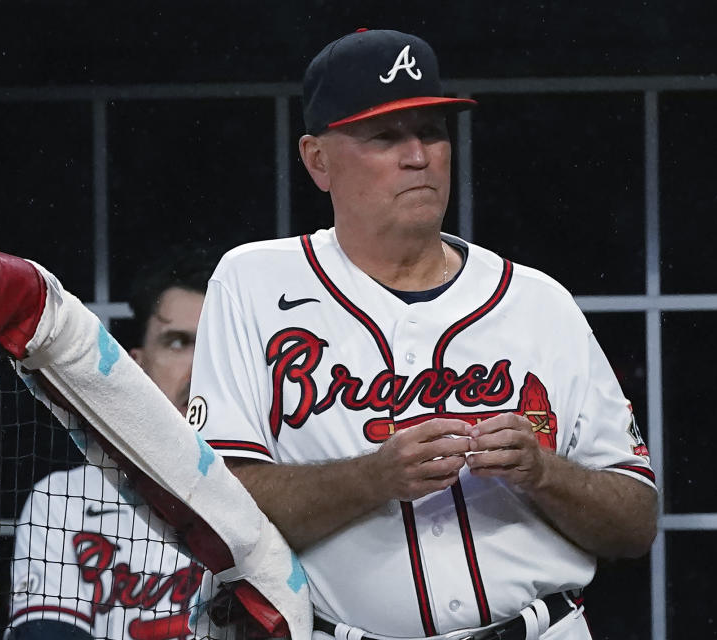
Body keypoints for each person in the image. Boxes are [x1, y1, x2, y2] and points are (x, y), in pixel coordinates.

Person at [188, 29, 658, 640]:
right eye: (385, 136)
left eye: (432, 131)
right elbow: (217, 514)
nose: (419, 156)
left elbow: (635, 521)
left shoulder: (539, 301)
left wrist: (544, 472)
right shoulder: (253, 283)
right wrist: (372, 478)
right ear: (317, 160)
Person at [6, 248, 218, 640]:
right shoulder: (63, 499)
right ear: (137, 365)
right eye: (177, 343)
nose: (200, 365)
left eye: (215, 345)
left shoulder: (278, 493)